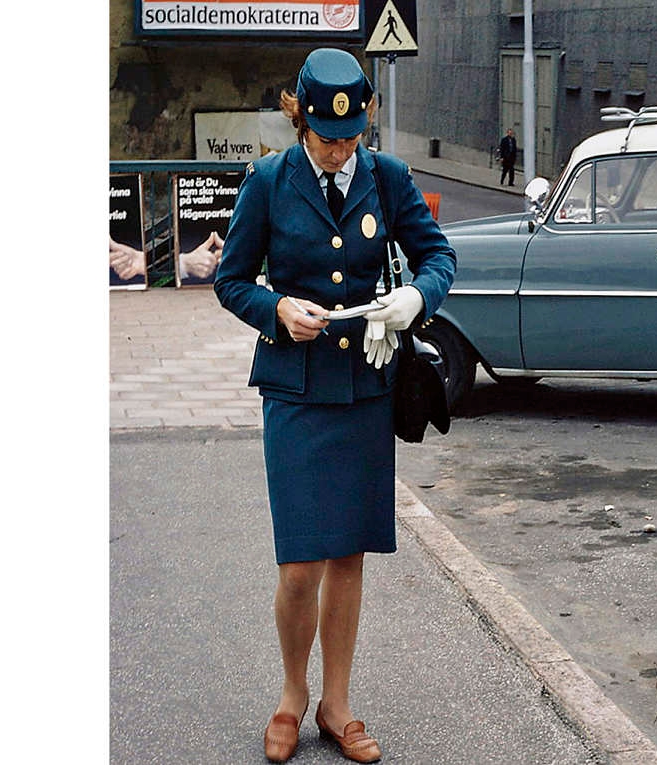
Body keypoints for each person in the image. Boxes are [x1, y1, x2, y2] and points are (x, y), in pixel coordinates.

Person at [214, 48, 456, 764]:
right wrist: (276, 306)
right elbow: (232, 280)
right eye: (326, 139)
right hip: (296, 386)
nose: (341, 150)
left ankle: (336, 704)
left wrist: (416, 297)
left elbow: (438, 254)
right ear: (301, 121)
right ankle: (291, 695)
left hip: (364, 389)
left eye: (351, 138)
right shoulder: (267, 180)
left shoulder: (388, 178)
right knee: (300, 563)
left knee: (349, 553)